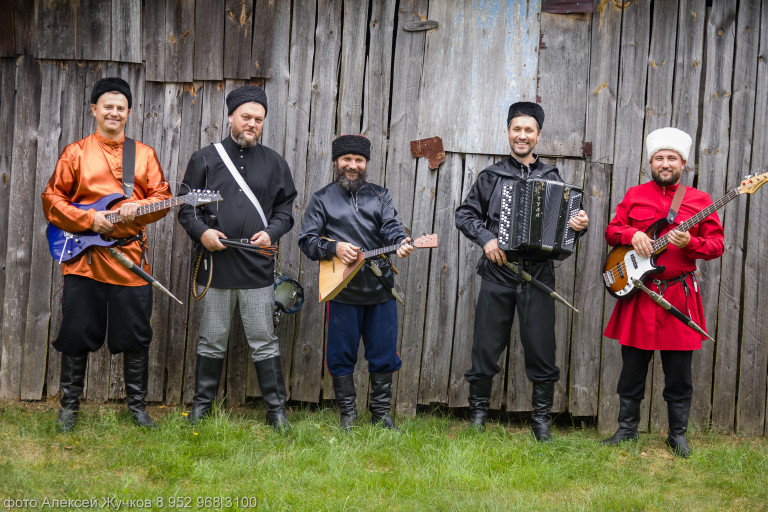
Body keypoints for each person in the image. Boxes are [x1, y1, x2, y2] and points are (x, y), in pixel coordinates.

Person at [41, 77, 172, 432]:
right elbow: (52, 199)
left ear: (129, 112)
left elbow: (162, 198)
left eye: (121, 108)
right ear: (94, 110)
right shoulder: (75, 152)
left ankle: (137, 408)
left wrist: (138, 207)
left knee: (136, 334)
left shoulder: (144, 155)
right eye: (108, 106)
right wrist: (89, 219)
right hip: (84, 260)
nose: (114, 112)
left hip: (130, 259)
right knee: (76, 332)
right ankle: (68, 408)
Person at [454, 102, 588, 440]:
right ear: (508, 132)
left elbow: (568, 225)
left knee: (541, 348)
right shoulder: (491, 176)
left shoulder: (552, 177)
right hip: (498, 271)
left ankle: (541, 420)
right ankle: (478, 415)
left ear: (538, 135)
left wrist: (579, 225)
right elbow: (465, 214)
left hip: (538, 275)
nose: (522, 135)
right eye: (517, 129)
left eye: (529, 130)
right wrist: (486, 239)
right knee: (486, 346)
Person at [178, 85, 297, 430]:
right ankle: (202, 407)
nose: (252, 124)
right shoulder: (204, 158)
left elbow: (285, 211)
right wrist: (203, 233)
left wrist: (271, 233)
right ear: (231, 116)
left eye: (258, 119)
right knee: (212, 337)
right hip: (216, 266)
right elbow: (187, 209)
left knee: (263, 340)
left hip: (257, 267)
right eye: (246, 117)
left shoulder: (275, 163)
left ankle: (276, 411)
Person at [601, 127, 724, 457]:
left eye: (672, 158)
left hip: (678, 293)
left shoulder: (700, 201)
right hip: (639, 292)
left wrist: (691, 243)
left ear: (683, 163)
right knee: (632, 367)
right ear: (650, 163)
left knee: (679, 371)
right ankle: (627, 429)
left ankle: (677, 435)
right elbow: (612, 231)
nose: (665, 163)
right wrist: (631, 234)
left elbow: (716, 246)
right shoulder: (635, 195)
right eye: (659, 158)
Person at [298, 135, 413, 431]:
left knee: (384, 353)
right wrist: (334, 247)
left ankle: (381, 415)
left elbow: (391, 227)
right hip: (342, 290)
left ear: (366, 163)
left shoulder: (380, 195)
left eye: (359, 160)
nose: (353, 165)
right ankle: (347, 415)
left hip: (379, 288)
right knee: (341, 354)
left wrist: (400, 241)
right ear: (336, 161)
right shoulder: (322, 198)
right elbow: (307, 240)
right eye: (347, 159)